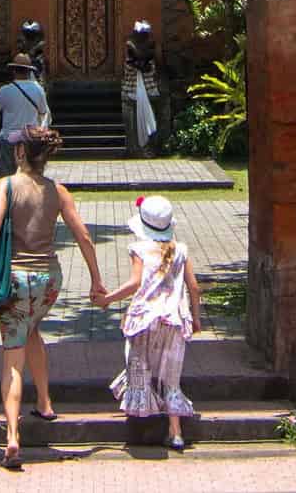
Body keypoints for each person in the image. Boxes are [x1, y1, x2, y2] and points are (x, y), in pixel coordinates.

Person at [0, 126, 104, 470]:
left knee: (12, 358)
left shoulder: (5, 185)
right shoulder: (58, 191)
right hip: (48, 281)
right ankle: (46, 402)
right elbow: (83, 236)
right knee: (31, 328)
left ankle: (11, 437)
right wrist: (96, 280)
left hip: (15, 280)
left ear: (20, 152)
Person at [94, 193, 200, 451]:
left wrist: (108, 298)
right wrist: (196, 317)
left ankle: (139, 420)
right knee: (170, 377)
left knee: (140, 366)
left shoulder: (139, 249)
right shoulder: (181, 250)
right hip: (173, 319)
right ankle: (175, 433)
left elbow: (135, 283)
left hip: (144, 319)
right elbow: (193, 288)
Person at [0, 53, 50, 179]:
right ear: (29, 71)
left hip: (9, 137)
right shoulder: (38, 90)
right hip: (29, 137)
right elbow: (43, 111)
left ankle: (8, 196)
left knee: (6, 174)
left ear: (14, 71)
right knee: (31, 174)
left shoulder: (5, 90)